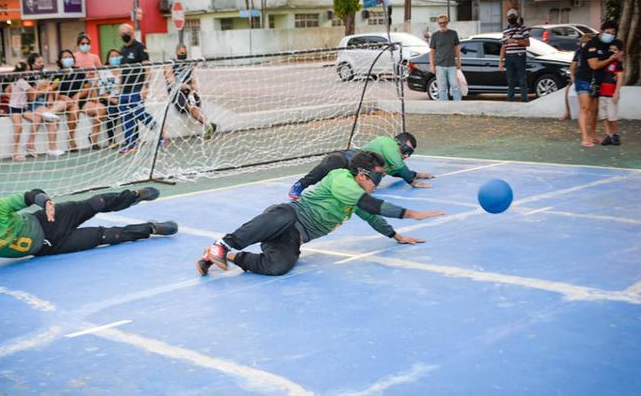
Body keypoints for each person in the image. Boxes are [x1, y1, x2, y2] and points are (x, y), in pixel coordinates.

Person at [197, 151, 445, 276]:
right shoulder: (341, 178)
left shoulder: (354, 197)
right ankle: (222, 244)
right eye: (377, 177)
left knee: (280, 266)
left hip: (293, 238)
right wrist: (413, 214)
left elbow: (372, 217)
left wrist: (395, 236)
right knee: (284, 215)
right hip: (285, 217)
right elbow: (370, 205)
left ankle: (228, 257)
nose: (379, 182)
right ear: (361, 174)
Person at [0, 187, 177, 292]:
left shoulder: (3, 208)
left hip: (49, 219)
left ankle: (134, 195)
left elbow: (30, 195)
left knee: (95, 203)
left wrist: (46, 202)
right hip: (50, 247)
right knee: (108, 236)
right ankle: (152, 228)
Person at [288, 132, 434, 200]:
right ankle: (300, 184)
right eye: (406, 150)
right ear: (397, 143)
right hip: (346, 159)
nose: (407, 156)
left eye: (410, 154)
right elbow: (400, 167)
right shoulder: (387, 142)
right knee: (331, 165)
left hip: (354, 175)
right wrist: (412, 182)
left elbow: (398, 172)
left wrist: (416, 174)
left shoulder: (390, 163)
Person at [574, 20, 623, 147]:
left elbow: (618, 58)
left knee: (594, 110)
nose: (610, 35)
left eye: (613, 33)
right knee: (585, 108)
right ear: (601, 31)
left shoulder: (609, 45)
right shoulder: (592, 44)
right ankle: (585, 138)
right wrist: (611, 59)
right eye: (608, 32)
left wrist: (615, 71)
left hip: (597, 81)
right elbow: (594, 65)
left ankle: (593, 134)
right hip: (584, 79)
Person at [164, 44, 216, 139]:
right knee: (189, 104)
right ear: (176, 53)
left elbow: (193, 81)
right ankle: (207, 124)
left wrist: (194, 90)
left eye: (185, 53)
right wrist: (184, 86)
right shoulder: (170, 63)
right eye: (181, 53)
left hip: (188, 91)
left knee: (194, 101)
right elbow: (171, 81)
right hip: (176, 92)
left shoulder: (188, 64)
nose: (183, 55)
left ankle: (207, 125)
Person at [118, 23, 153, 154]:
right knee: (126, 116)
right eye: (121, 34)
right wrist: (120, 88)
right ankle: (131, 143)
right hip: (125, 90)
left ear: (132, 33)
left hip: (137, 88)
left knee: (139, 113)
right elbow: (122, 71)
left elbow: (147, 68)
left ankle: (160, 132)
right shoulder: (122, 50)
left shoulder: (140, 48)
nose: (124, 36)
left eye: (126, 33)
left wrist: (145, 87)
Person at [52, 50, 92, 151]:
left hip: (78, 101)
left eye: (69, 57)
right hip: (63, 101)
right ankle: (72, 140)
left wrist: (78, 95)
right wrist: (62, 97)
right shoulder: (57, 74)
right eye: (65, 57)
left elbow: (87, 87)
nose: (68, 59)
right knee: (73, 106)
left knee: (74, 109)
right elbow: (53, 91)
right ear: (60, 60)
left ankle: (71, 137)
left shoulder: (79, 72)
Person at [560, 33, 595, 120]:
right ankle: (568, 112)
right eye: (584, 42)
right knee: (567, 89)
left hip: (590, 76)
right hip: (579, 75)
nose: (585, 44)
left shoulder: (593, 51)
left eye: (587, 42)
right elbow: (573, 66)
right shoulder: (578, 52)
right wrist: (572, 76)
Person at [499, 8, 530, 103]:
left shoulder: (522, 28)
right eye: (510, 16)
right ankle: (510, 100)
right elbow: (503, 46)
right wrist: (500, 61)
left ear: (516, 17)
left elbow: (527, 43)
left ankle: (524, 100)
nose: (511, 17)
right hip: (509, 57)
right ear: (507, 17)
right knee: (510, 80)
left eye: (513, 15)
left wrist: (515, 41)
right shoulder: (505, 31)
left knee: (522, 79)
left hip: (520, 56)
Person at [429, 14, 462, 102]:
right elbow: (432, 51)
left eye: (444, 22)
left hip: (452, 65)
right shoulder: (435, 35)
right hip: (439, 65)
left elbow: (457, 49)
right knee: (442, 87)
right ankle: (443, 107)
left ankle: (458, 105)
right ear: (438, 23)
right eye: (440, 23)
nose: (442, 24)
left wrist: (459, 61)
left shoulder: (453, 33)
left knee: (455, 86)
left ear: (447, 22)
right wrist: (432, 65)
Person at [598, 39, 624, 146]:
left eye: (615, 50)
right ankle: (608, 135)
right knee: (604, 116)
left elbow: (620, 78)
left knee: (612, 116)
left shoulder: (618, 64)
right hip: (601, 94)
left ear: (619, 52)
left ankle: (615, 134)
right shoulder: (603, 63)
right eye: (610, 49)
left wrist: (616, 92)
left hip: (611, 95)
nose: (612, 52)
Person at [98, 49, 123, 148]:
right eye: (112, 56)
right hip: (107, 97)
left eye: (117, 56)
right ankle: (111, 141)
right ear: (108, 59)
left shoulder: (124, 69)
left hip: (121, 97)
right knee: (112, 110)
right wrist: (113, 100)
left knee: (130, 109)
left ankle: (134, 138)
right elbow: (102, 92)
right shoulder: (104, 71)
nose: (115, 58)